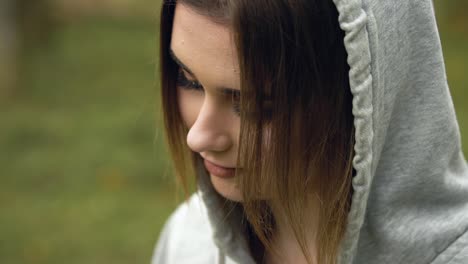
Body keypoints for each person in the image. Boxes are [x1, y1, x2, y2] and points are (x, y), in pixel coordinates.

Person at [151, 0, 468, 263]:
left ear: (362, 94)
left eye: (252, 105)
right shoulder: (189, 241)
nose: (198, 137)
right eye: (188, 79)